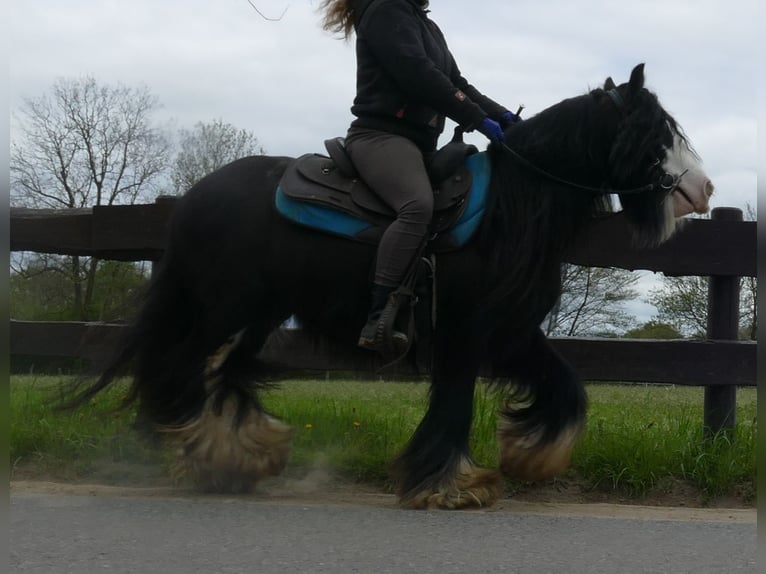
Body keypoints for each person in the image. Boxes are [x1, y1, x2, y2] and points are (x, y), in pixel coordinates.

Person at [320, 0, 519, 353]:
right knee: (417, 205)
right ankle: (378, 316)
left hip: (421, 143)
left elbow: (455, 83)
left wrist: (502, 115)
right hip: (381, 137)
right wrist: (478, 120)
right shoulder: (386, 10)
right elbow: (417, 74)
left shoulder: (427, 26)